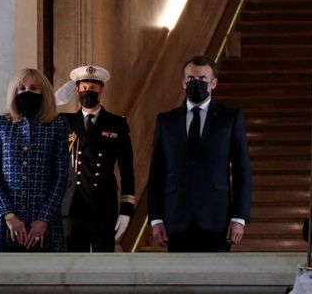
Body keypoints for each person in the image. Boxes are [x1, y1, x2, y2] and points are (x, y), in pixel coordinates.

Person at [147, 55, 251, 252]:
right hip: (175, 218)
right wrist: (156, 218)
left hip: (216, 218)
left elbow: (242, 170)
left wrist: (239, 217)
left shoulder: (230, 119)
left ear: (213, 83)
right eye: (191, 79)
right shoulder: (165, 121)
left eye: (202, 80)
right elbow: (157, 173)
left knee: (215, 279)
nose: (197, 83)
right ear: (183, 83)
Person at [0, 68, 70, 252]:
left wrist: (43, 219)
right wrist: (9, 216)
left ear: (43, 92)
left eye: (33, 88)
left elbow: (61, 176)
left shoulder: (58, 125)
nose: (27, 92)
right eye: (21, 88)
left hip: (46, 223)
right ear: (15, 93)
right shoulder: (2, 124)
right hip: (9, 223)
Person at [59, 64, 135, 252]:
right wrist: (57, 99)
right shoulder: (65, 121)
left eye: (93, 88)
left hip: (103, 204)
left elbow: (127, 169)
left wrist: (127, 209)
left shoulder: (116, 123)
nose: (88, 92)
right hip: (72, 205)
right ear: (77, 90)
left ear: (102, 89)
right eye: (84, 88)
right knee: (73, 264)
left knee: (104, 265)